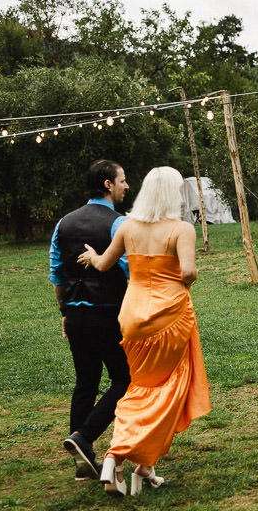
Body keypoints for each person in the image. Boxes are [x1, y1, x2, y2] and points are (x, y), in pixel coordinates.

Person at [77, 166, 210, 496]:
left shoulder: (128, 227)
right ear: (171, 194)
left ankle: (140, 465)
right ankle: (118, 454)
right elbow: (189, 272)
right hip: (170, 317)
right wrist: (178, 280)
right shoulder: (181, 229)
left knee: (139, 386)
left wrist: (92, 257)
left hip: (132, 317)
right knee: (170, 387)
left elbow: (105, 264)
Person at [50, 160, 132, 483]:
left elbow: (57, 275)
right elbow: (129, 271)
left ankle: (83, 465)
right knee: (125, 379)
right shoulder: (118, 224)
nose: (127, 186)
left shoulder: (63, 224)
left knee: (85, 382)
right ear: (108, 185)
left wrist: (66, 313)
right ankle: (84, 437)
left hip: (76, 316)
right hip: (107, 313)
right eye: (122, 180)